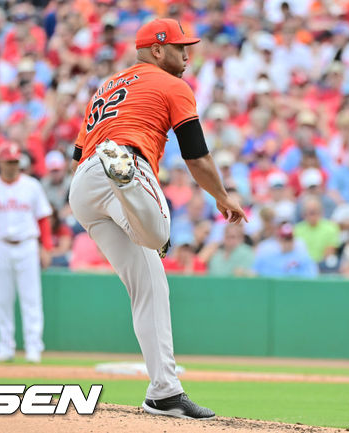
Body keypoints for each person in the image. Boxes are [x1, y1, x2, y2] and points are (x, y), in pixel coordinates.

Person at [68, 19, 246, 420]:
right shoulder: (173, 85)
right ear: (156, 49)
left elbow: (78, 153)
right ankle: (126, 178)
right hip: (124, 162)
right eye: (180, 47)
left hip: (84, 186)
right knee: (160, 233)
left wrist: (98, 177)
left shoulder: (106, 86)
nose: (187, 54)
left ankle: (164, 392)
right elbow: (196, 155)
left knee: (151, 285)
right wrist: (222, 197)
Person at [0, 143, 53, 363]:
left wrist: (45, 247)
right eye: (9, 161)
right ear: (0, 163)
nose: (13, 166)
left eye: (16, 162)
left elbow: (43, 219)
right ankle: (5, 347)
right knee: (2, 299)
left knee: (31, 299)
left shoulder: (32, 186)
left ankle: (33, 347)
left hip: (27, 244)